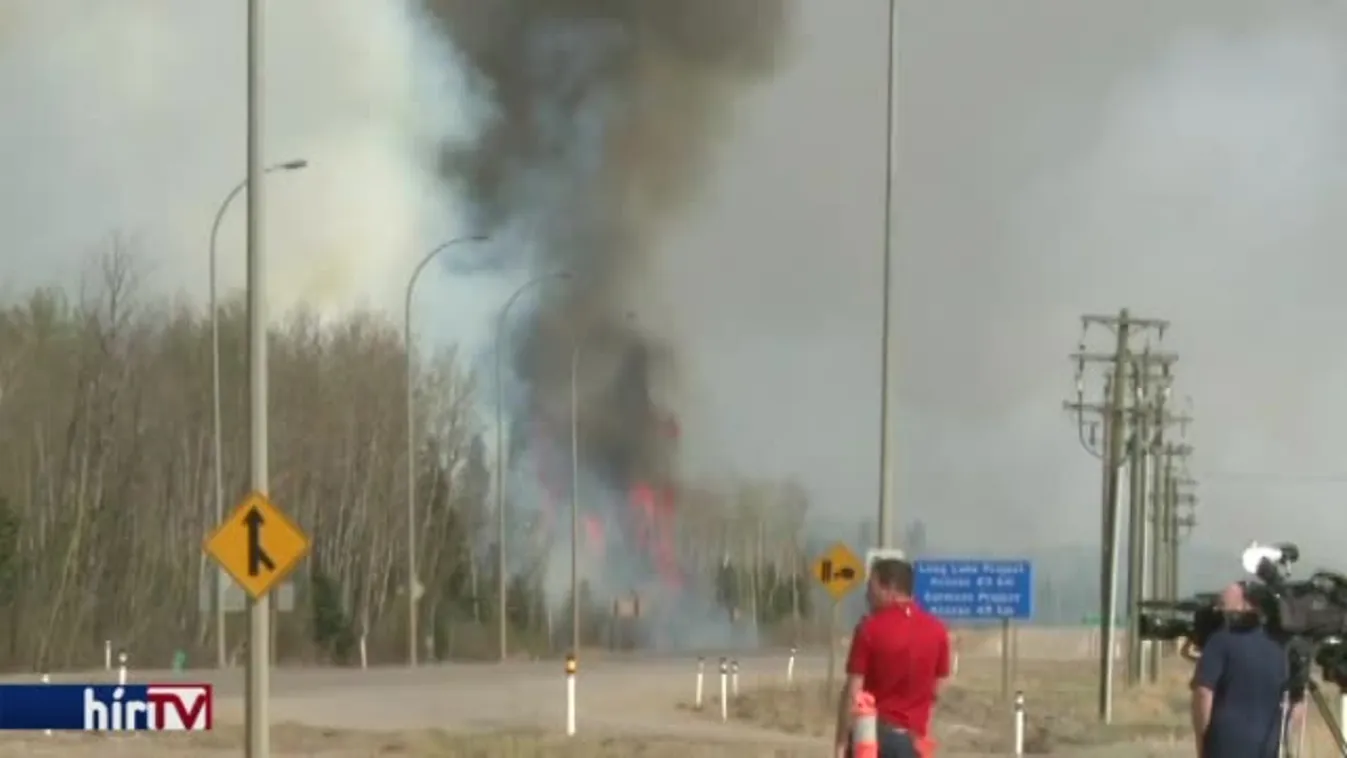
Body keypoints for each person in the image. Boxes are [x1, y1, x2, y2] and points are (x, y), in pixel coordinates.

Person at [834, 558, 949, 758]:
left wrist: (841, 743)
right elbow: (938, 687)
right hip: (913, 742)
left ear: (890, 589)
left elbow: (854, 691)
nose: (867, 595)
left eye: (872, 587)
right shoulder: (937, 630)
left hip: (871, 738)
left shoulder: (869, 630)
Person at [1191, 582, 1299, 758]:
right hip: (1268, 744)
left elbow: (1204, 693)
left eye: (1223, 605)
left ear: (1246, 605)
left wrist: (1202, 742)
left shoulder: (1219, 641)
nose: (1218, 610)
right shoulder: (1282, 646)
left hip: (1225, 745)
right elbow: (1297, 703)